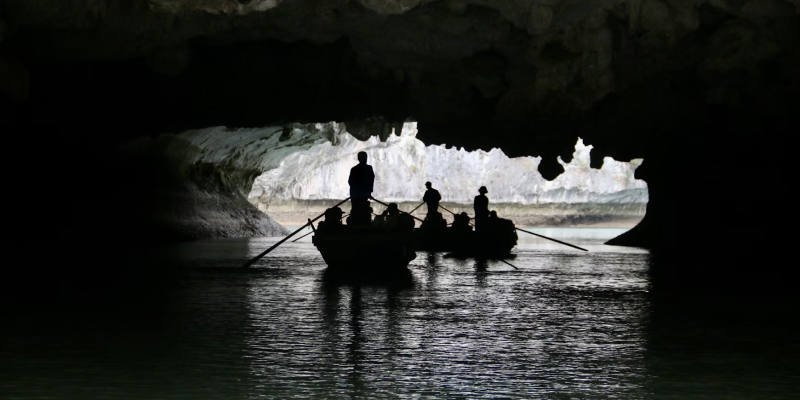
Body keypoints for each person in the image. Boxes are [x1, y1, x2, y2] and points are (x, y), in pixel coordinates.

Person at [348, 151, 375, 226]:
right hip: (363, 195)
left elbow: (350, 182)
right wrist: (369, 193)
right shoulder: (369, 168)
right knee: (364, 210)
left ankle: (355, 225)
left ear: (358, 159)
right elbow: (371, 181)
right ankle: (364, 225)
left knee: (355, 210)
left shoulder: (354, 169)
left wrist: (355, 192)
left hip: (355, 195)